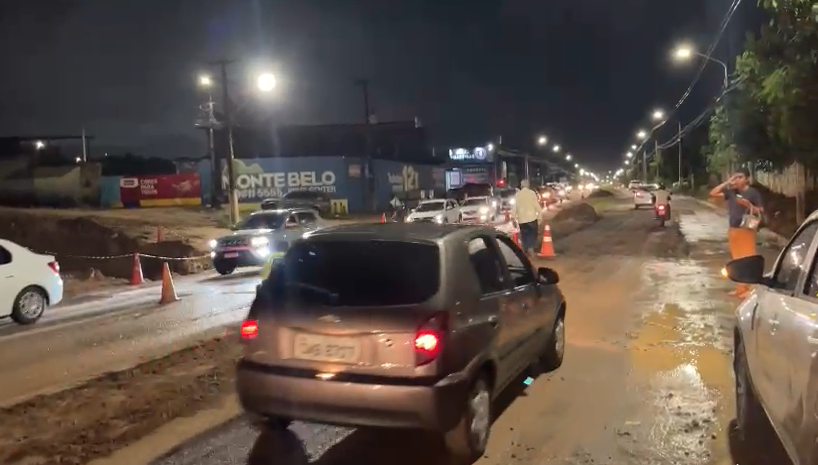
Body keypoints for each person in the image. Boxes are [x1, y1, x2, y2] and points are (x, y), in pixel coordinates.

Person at [709, 167, 764, 298]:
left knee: (749, 257)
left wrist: (748, 205)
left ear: (747, 179)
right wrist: (728, 182)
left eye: (740, 177)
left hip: (747, 229)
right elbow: (713, 193)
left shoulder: (753, 193)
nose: (737, 180)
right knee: (737, 259)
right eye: (736, 177)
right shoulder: (732, 192)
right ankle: (741, 288)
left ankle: (751, 289)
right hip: (733, 229)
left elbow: (761, 211)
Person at [512, 179, 543, 256]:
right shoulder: (531, 193)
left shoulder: (517, 195)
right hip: (531, 219)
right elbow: (536, 206)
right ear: (528, 185)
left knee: (524, 235)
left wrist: (513, 218)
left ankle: (526, 251)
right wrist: (540, 216)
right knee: (532, 234)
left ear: (521, 186)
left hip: (522, 220)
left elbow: (514, 208)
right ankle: (530, 250)